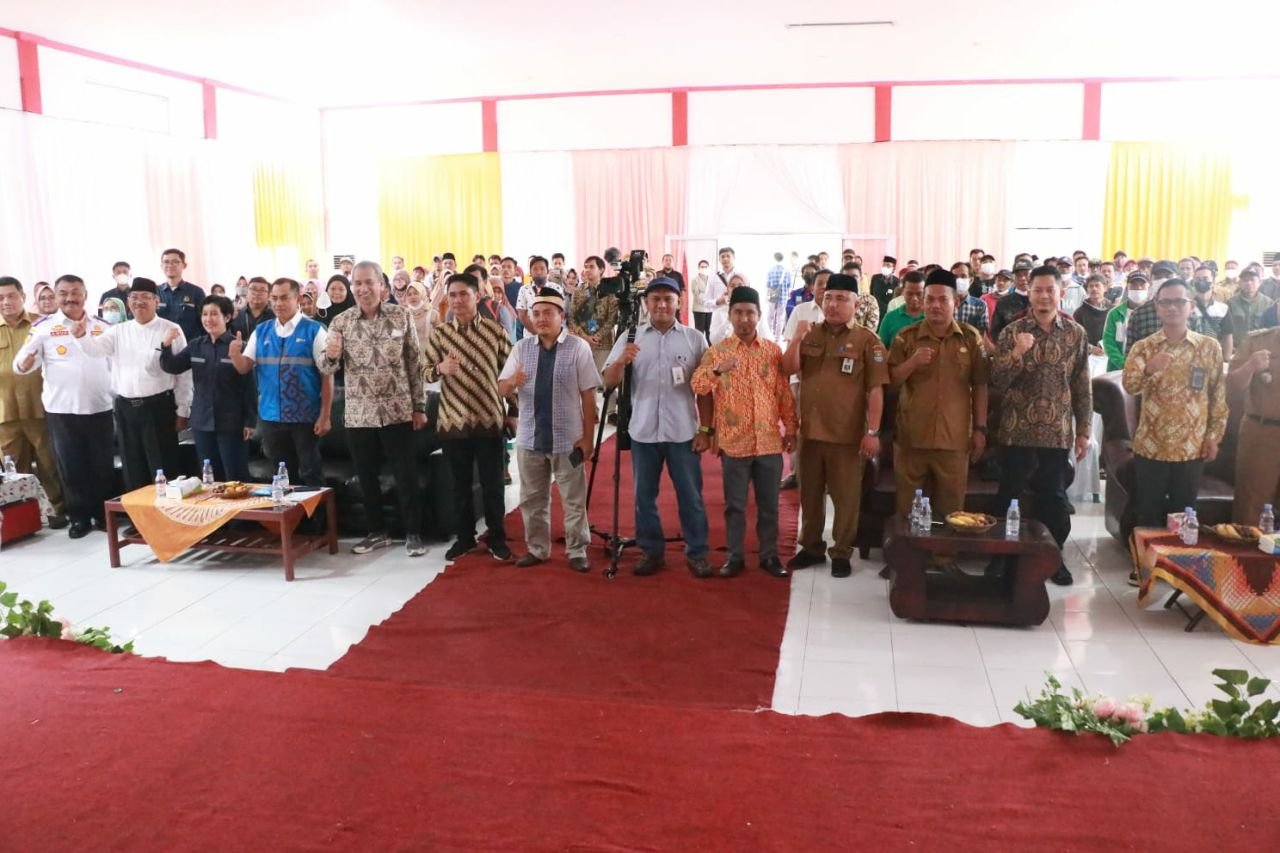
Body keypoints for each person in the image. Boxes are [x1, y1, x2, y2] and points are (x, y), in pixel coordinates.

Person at [602, 276, 712, 578]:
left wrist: (706, 430)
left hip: (683, 433)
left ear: (679, 302)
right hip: (643, 432)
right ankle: (651, 551)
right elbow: (608, 382)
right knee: (643, 497)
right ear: (646, 303)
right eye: (655, 299)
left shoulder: (695, 339)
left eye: (668, 299)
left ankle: (698, 552)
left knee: (691, 496)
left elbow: (705, 390)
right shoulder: (630, 337)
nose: (662, 304)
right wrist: (621, 361)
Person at [991, 266, 1092, 586]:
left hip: (1056, 432)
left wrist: (1084, 430)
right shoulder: (1012, 331)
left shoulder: (1075, 333)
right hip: (1016, 430)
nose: (1044, 296)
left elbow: (1082, 385)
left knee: (1054, 499)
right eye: (1038, 290)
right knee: (1009, 496)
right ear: (1029, 293)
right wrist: (1017, 353)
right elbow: (997, 381)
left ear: (1061, 293)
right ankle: (1002, 557)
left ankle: (1053, 558)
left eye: (1050, 290)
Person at [782, 273, 887, 578]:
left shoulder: (868, 340)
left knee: (846, 499)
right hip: (810, 433)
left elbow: (875, 390)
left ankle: (841, 551)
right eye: (828, 298)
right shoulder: (811, 333)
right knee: (810, 495)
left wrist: (872, 432)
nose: (833, 304)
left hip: (847, 436)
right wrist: (797, 338)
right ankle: (811, 547)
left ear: (856, 304)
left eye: (841, 299)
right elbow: (788, 368)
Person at [320, 261, 427, 556]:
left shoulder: (401, 315)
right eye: (357, 283)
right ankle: (377, 532)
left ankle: (413, 533)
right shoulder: (341, 322)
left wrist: (419, 406)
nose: (363, 289)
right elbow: (327, 366)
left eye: (369, 282)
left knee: (405, 475)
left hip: (398, 410)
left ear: (382, 285)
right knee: (365, 477)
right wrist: (331, 355)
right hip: (359, 414)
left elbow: (414, 363)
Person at [691, 286, 797, 577]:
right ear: (730, 315)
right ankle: (735, 556)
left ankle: (769, 556)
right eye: (738, 312)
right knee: (735, 506)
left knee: (769, 505)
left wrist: (791, 428)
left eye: (750, 313)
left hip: (768, 443)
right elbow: (698, 385)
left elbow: (783, 394)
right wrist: (718, 370)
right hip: (734, 444)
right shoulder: (718, 351)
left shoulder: (772, 351)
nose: (744, 319)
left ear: (759, 315)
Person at [497, 288, 598, 572]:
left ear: (561, 316)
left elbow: (588, 396)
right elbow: (502, 387)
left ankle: (577, 550)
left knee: (573, 500)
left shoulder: (578, 347)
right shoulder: (522, 348)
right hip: (530, 438)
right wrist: (513, 382)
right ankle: (537, 549)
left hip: (568, 438)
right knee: (532, 500)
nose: (541, 319)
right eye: (536, 313)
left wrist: (588, 438)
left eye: (548, 313)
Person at [421, 272, 515, 562]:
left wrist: (513, 412)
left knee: (492, 484)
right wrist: (440, 369)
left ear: (477, 296)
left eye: (464, 294)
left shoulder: (495, 332)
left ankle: (497, 537)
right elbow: (424, 371)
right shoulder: (440, 335)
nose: (458, 300)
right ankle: (465, 538)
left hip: (489, 417)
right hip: (453, 420)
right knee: (458, 485)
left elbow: (510, 374)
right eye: (452, 295)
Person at [12, 275, 115, 538]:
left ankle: (104, 515)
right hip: (62, 410)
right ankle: (79, 517)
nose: (70, 298)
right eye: (64, 293)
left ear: (85, 295)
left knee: (102, 465)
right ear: (56, 297)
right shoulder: (44, 327)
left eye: (75, 292)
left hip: (100, 406)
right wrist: (24, 365)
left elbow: (114, 364)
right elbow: (22, 361)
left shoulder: (102, 326)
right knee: (71, 466)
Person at [1122, 279, 1227, 530]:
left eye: (1179, 302)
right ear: (1157, 308)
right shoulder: (1144, 347)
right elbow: (1130, 386)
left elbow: (1218, 397)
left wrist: (1214, 436)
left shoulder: (1209, 347)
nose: (1172, 308)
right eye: (1165, 302)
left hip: (1191, 447)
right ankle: (1146, 557)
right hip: (1151, 447)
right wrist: (1149, 369)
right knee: (1148, 516)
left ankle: (1179, 558)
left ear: (1191, 306)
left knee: (1183, 518)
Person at [72, 277, 193, 491]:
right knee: (133, 468)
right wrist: (81, 336)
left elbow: (183, 374)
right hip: (126, 409)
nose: (139, 302)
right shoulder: (118, 330)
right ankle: (137, 512)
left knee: (163, 468)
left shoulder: (171, 329)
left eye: (145, 297)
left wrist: (183, 409)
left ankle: (166, 511)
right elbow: (95, 350)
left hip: (159, 409)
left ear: (157, 301)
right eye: (134, 297)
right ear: (128, 302)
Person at [888, 269, 989, 523]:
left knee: (952, 513)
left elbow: (980, 385)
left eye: (943, 299)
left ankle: (945, 548)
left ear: (956, 302)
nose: (935, 305)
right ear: (922, 302)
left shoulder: (970, 338)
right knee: (907, 512)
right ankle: (910, 549)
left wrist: (980, 429)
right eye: (930, 299)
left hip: (954, 440)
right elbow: (889, 381)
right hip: (912, 438)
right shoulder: (906, 337)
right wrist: (912, 363)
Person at [229, 278, 333, 488]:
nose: (278, 303)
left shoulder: (315, 330)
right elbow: (243, 367)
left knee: (310, 472)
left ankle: (317, 510)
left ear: (298, 299)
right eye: (274, 298)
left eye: (284, 298)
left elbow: (327, 375)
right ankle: (288, 510)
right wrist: (234, 354)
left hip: (305, 416)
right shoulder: (262, 331)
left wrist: (325, 415)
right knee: (282, 475)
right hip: (271, 416)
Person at [158, 295, 255, 483]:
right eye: (205, 314)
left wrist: (250, 421)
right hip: (202, 422)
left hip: (232, 423)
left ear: (227, 317)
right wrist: (166, 345)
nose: (208, 319)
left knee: (235, 476)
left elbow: (250, 386)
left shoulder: (239, 347)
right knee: (209, 477)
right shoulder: (196, 346)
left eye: (214, 314)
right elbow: (172, 366)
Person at [0, 276, 67, 527]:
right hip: (5, 412)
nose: (6, 302)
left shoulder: (41, 324)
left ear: (23, 297)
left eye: (11, 296)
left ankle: (56, 510)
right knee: (15, 469)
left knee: (49, 464)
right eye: (0, 298)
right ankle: (26, 517)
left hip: (40, 408)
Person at [779, 268, 833, 490]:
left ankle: (826, 476)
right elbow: (789, 345)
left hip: (831, 383)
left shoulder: (840, 313)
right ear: (812, 287)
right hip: (800, 379)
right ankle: (796, 473)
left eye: (829, 284)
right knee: (801, 424)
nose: (824, 287)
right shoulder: (800, 311)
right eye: (820, 283)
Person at [1228, 324, 1280, 524]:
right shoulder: (1258, 341)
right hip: (1261, 432)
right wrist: (1250, 366)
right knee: (1250, 511)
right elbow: (1232, 386)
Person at [1220, 268, 1274, 363]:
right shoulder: (1230, 303)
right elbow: (1225, 330)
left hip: (1261, 353)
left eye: (1252, 280)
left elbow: (1272, 331)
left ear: (1259, 282)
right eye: (1245, 280)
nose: (1249, 283)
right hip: (1236, 352)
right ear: (1240, 283)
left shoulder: (1268, 303)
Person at [1123, 261, 1179, 353]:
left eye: (1168, 276)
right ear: (1151, 280)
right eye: (1158, 277)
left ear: (1177, 278)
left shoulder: (1188, 311)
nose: (1163, 280)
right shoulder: (1139, 314)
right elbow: (1131, 353)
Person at [1102, 271, 1150, 371]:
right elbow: (1108, 343)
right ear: (1127, 287)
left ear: (1148, 287)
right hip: (1118, 370)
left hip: (1147, 370)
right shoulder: (1115, 313)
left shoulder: (1154, 313)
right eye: (1134, 285)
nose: (1138, 288)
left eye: (1142, 285)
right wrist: (1124, 365)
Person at [156, 248, 206, 343]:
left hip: (190, 346)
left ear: (184, 265)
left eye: (175, 262)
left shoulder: (196, 292)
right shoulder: (155, 292)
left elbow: (204, 322)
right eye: (166, 262)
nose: (170, 265)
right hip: (162, 345)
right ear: (161, 266)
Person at [515, 256, 564, 335]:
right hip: (531, 335)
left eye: (542, 269)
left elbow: (561, 312)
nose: (538, 272)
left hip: (553, 335)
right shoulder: (524, 289)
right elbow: (522, 315)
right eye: (535, 269)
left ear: (547, 271)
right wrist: (536, 332)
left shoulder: (556, 288)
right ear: (530, 272)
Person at [878, 271, 926, 347]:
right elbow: (879, 349)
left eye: (919, 294)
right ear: (903, 291)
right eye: (910, 294)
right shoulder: (890, 318)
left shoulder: (932, 317)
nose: (914, 298)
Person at [990, 260, 1034, 341]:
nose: (1023, 278)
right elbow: (995, 331)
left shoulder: (1040, 300)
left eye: (1026, 274)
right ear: (1014, 278)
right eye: (1018, 275)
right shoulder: (1003, 302)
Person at [1073, 274, 1111, 354]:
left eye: (1097, 285)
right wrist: (1090, 348)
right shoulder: (1079, 313)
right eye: (1091, 286)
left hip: (1110, 352)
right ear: (1087, 289)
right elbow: (1075, 337)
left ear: (1105, 288)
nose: (1094, 289)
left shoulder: (1113, 311)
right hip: (1087, 355)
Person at [689, 259, 723, 342]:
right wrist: (707, 300)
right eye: (702, 267)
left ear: (708, 268)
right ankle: (699, 348)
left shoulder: (712, 280)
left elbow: (714, 294)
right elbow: (697, 294)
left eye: (705, 267)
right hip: (699, 309)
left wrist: (709, 300)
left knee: (710, 331)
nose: (703, 268)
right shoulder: (694, 280)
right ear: (698, 268)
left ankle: (710, 348)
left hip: (710, 309)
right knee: (699, 331)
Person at [764, 252, 793, 342]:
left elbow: (768, 285)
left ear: (774, 258)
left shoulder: (771, 270)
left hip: (772, 295)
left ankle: (769, 335)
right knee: (780, 317)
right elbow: (789, 285)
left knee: (770, 316)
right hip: (783, 296)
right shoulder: (786, 271)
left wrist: (766, 297)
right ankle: (777, 337)